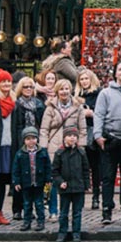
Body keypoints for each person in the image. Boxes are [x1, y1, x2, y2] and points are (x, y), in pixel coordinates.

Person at [39, 79, 88, 221]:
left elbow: (82, 128)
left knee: (72, 177)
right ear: (57, 91)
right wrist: (44, 147)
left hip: (72, 147)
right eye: (61, 89)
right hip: (54, 147)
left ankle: (72, 211)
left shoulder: (78, 107)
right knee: (54, 179)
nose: (64, 91)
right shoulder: (50, 108)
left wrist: (81, 146)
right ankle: (54, 210)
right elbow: (44, 129)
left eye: (67, 88)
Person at [93, 60, 121, 224]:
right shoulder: (105, 93)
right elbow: (99, 115)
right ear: (115, 73)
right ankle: (107, 210)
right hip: (110, 139)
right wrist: (98, 136)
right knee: (108, 177)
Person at [51, 125, 88, 242]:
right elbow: (55, 171)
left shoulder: (81, 152)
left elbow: (85, 170)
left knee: (77, 212)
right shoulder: (59, 153)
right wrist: (60, 182)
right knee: (63, 213)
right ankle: (62, 233)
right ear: (64, 138)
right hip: (65, 188)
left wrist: (86, 185)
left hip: (78, 187)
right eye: (69, 136)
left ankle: (76, 233)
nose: (72, 138)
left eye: (74, 136)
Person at [12, 126, 50, 232]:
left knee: (39, 203)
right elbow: (16, 169)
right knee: (27, 203)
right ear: (24, 140)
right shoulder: (20, 153)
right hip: (26, 182)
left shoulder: (42, 152)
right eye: (28, 139)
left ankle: (40, 222)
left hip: (39, 181)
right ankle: (26, 222)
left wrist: (48, 179)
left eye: (33, 138)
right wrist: (16, 182)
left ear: (37, 139)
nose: (31, 141)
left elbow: (48, 166)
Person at [75, 68, 102, 211]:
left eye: (86, 79)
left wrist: (91, 113)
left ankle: (96, 196)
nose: (84, 82)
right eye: (82, 79)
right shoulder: (76, 95)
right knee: (80, 167)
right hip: (79, 134)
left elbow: (102, 113)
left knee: (95, 166)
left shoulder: (98, 94)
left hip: (93, 133)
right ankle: (81, 197)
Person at [0, 69, 13, 225]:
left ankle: (0, 211)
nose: (7, 84)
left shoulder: (13, 102)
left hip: (7, 146)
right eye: (3, 81)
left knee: (2, 182)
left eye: (8, 81)